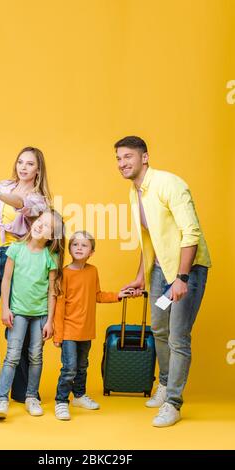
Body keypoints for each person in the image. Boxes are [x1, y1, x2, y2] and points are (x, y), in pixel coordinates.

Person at [116, 135, 211, 427]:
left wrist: (181, 278)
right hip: (160, 270)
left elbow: (190, 233)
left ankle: (174, 403)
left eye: (128, 157)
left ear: (145, 157)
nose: (122, 164)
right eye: (118, 159)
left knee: (177, 336)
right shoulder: (135, 192)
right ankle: (166, 385)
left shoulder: (170, 184)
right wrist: (141, 276)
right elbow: (151, 238)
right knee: (158, 328)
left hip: (187, 270)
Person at [0, 146, 51, 411]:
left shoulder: (39, 199)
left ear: (38, 170)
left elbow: (19, 204)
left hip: (17, 260)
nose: (23, 167)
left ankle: (22, 392)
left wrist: (0, 194)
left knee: (20, 322)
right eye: (20, 162)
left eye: (29, 164)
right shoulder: (3, 184)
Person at [53, 231, 133, 420]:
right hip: (68, 330)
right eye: (75, 244)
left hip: (86, 329)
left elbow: (97, 295)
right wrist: (58, 335)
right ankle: (61, 400)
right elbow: (59, 306)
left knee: (82, 366)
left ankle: (79, 395)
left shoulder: (92, 271)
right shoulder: (63, 273)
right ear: (70, 248)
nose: (79, 248)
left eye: (84, 245)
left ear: (92, 251)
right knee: (69, 368)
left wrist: (118, 295)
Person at [0, 210, 64, 419]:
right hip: (18, 313)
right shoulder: (15, 249)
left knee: (36, 356)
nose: (40, 225)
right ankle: (1, 400)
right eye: (39, 220)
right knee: (12, 356)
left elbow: (52, 291)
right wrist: (5, 308)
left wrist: (50, 321)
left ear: (52, 236)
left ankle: (31, 397)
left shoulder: (51, 257)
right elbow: (6, 280)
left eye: (47, 225)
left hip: (40, 315)